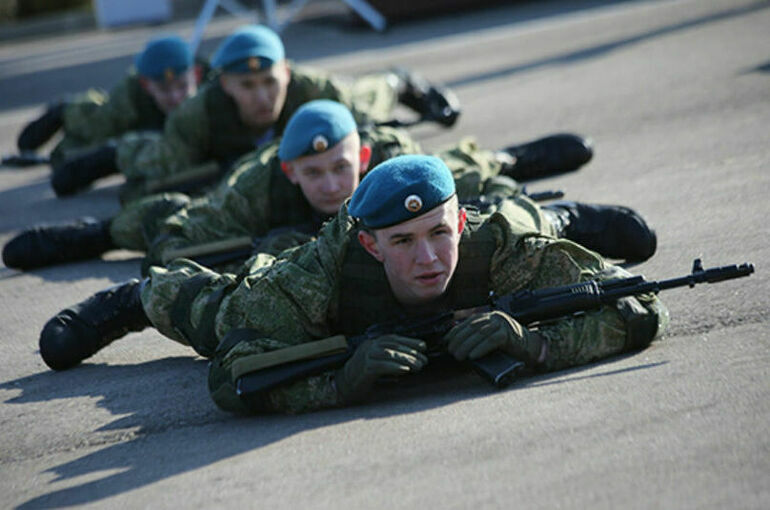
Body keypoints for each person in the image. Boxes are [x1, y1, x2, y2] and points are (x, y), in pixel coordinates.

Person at [37, 155, 668, 415]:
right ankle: (129, 298)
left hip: (505, 221)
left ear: (462, 222)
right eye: (402, 241)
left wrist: (538, 347)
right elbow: (233, 378)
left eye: (440, 234)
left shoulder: (493, 243)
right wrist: (340, 383)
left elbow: (640, 304)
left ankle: (569, 214)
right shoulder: (313, 276)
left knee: (529, 218)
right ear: (371, 243)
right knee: (212, 306)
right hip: (278, 276)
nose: (428, 258)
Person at [3, 101, 651, 271]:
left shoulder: (386, 157)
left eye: (341, 167)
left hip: (399, 193)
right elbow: (180, 242)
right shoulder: (256, 186)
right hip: (260, 224)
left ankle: (521, 156)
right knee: (167, 222)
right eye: (311, 173)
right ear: (288, 171)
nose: (330, 181)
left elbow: (452, 185)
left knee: (464, 175)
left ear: (361, 154)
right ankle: (89, 233)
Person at [48, 24, 468, 198]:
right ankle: (107, 154)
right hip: (197, 147)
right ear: (224, 84)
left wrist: (398, 86)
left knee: (364, 102)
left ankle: (401, 78)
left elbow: (361, 107)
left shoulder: (311, 88)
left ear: (285, 72)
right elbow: (167, 159)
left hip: (336, 100)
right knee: (162, 164)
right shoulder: (199, 112)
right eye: (247, 86)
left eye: (270, 82)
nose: (263, 97)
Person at [16, 35, 198, 171]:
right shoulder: (129, 98)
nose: (175, 97)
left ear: (196, 76)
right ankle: (65, 109)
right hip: (124, 116)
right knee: (91, 130)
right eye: (164, 90)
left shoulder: (214, 90)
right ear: (146, 85)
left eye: (182, 87)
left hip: (155, 126)